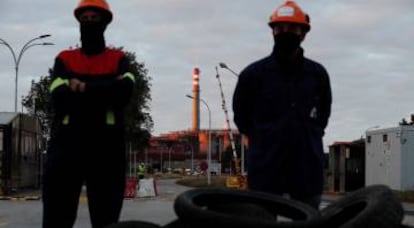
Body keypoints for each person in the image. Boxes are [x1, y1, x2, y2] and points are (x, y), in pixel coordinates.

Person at [42, 0, 136, 227]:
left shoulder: (118, 59)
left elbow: (124, 92)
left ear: (105, 23)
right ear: (78, 22)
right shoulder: (65, 58)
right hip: (66, 147)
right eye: (85, 19)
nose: (89, 22)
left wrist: (82, 88)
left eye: (95, 19)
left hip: (107, 150)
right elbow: (59, 96)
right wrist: (105, 90)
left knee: (106, 219)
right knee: (57, 217)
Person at [232, 1, 332, 209]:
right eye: (280, 28)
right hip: (265, 172)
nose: (285, 32)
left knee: (309, 222)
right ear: (273, 32)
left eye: (292, 28)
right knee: (261, 222)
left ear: (303, 33)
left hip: (306, 171)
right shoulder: (252, 76)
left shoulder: (317, 75)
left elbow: (323, 117)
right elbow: (241, 118)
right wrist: (264, 139)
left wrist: (307, 135)